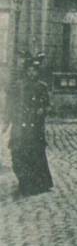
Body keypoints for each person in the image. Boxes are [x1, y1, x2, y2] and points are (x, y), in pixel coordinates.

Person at [4, 52, 53, 197]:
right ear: (25, 71)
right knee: (18, 154)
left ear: (38, 72)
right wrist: (6, 122)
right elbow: (10, 105)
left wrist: (42, 110)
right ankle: (24, 182)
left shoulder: (41, 87)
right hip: (19, 126)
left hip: (35, 127)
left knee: (35, 154)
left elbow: (48, 105)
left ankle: (38, 183)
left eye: (34, 71)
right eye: (29, 70)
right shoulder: (17, 86)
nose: (32, 73)